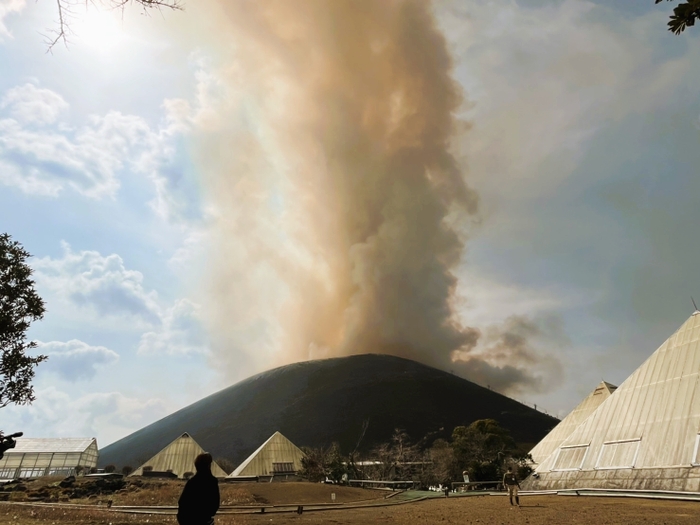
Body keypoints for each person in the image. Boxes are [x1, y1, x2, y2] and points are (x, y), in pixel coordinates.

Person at [177, 453, 220, 525]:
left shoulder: (192, 482)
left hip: (188, 520)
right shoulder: (212, 482)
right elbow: (215, 503)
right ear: (209, 466)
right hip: (204, 520)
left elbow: (182, 502)